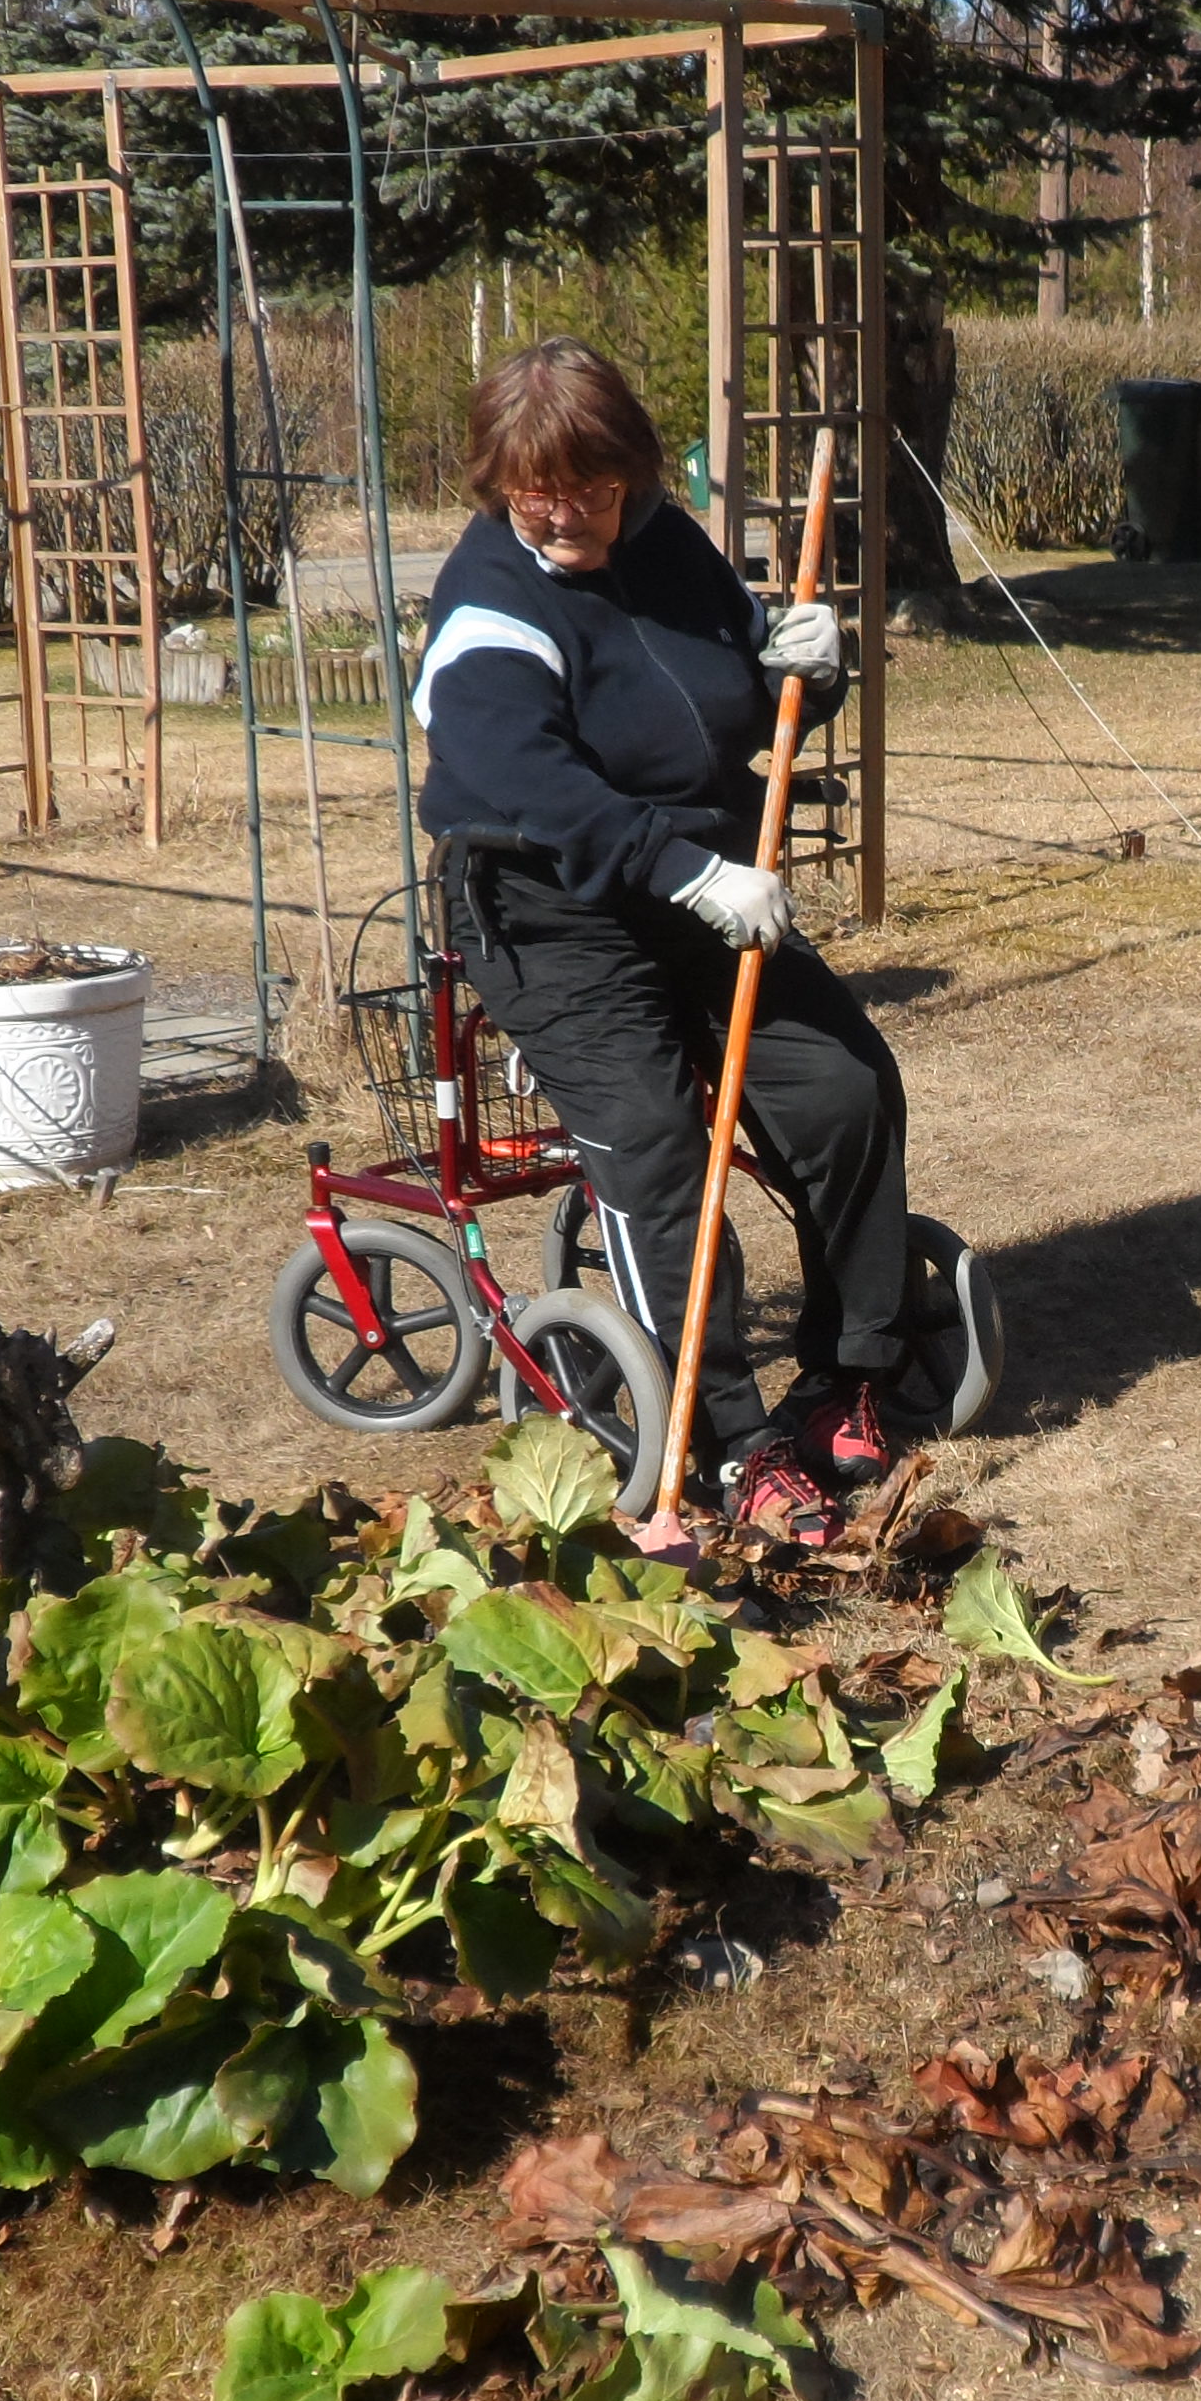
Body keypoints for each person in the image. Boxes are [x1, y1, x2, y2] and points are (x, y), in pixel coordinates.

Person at [410, 337, 908, 1545]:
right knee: (654, 1146)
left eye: (593, 487)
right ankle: (731, 1444)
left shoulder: (666, 540)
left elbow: (736, 684)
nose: (567, 515)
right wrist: (688, 872)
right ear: (499, 483)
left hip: (701, 880)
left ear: (631, 472)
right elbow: (535, 783)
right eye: (537, 492)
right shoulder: (488, 609)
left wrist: (806, 667)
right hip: (549, 911)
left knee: (845, 1087)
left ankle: (847, 1372)